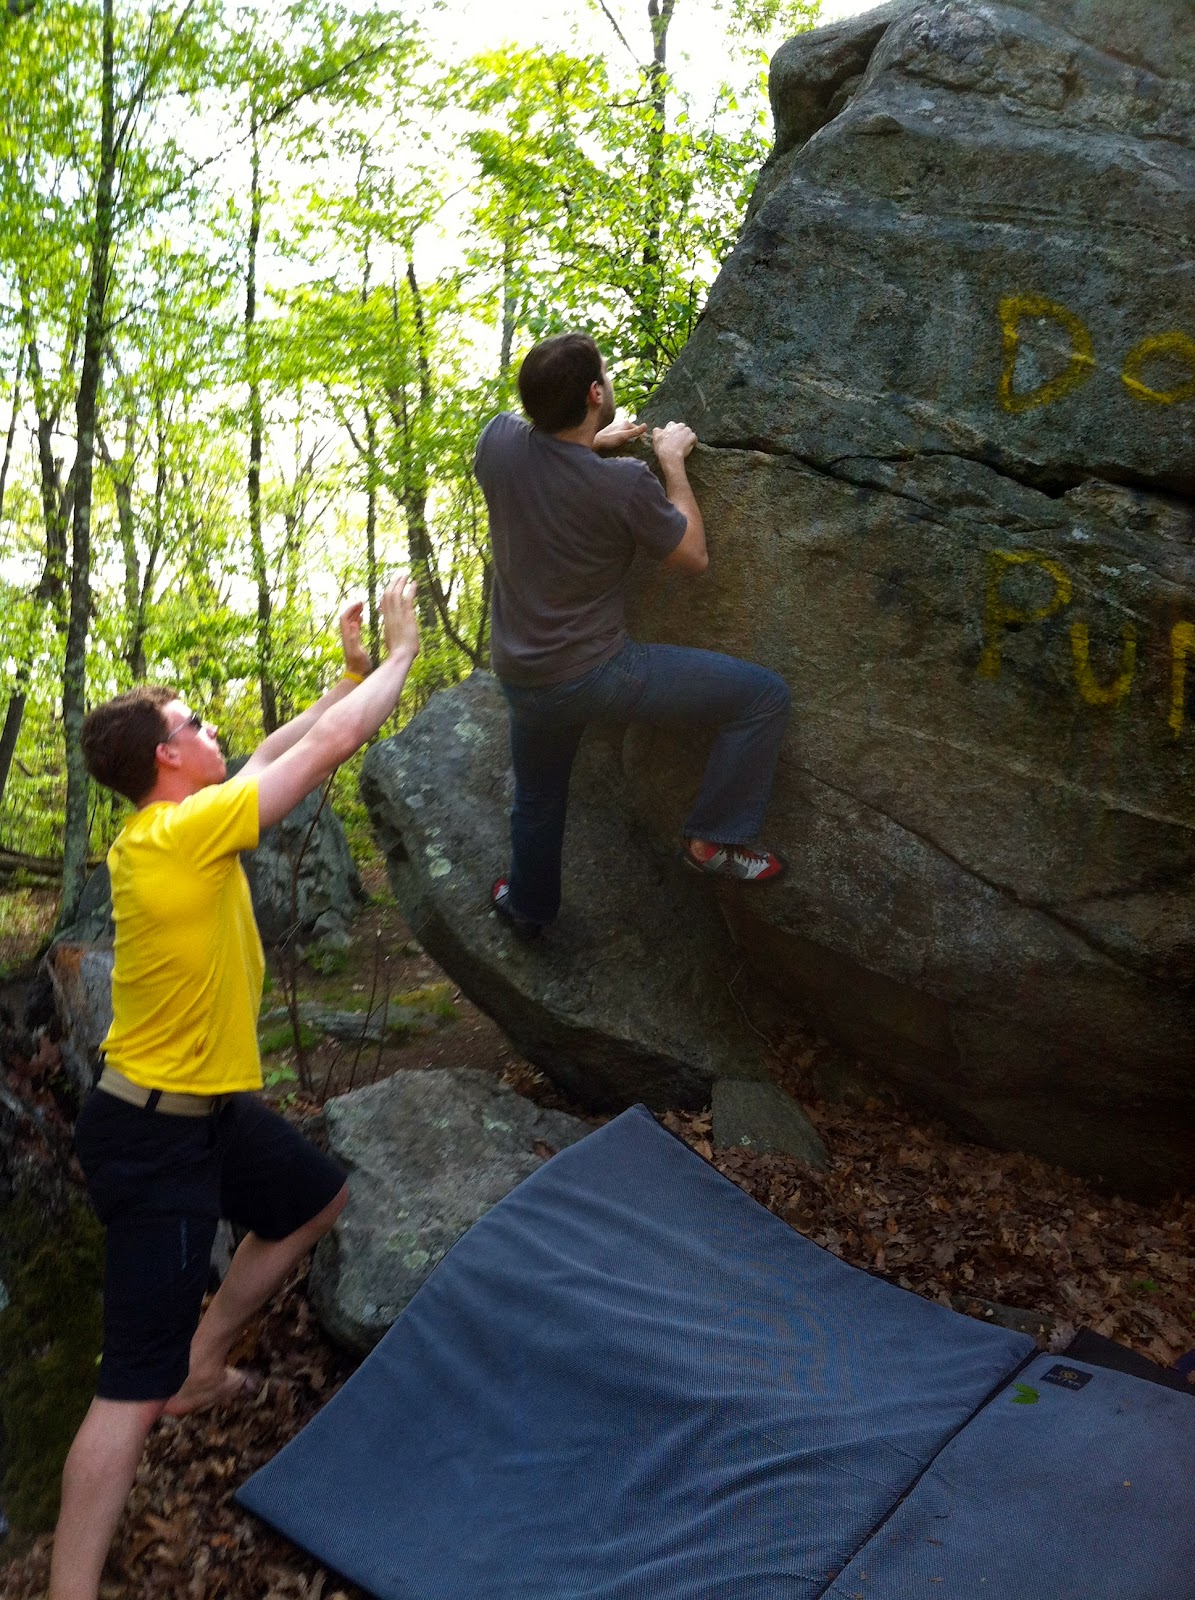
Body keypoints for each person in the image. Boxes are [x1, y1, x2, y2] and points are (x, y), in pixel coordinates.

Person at [48, 576, 419, 1600]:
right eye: (193, 721)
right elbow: (325, 749)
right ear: (168, 756)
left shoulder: (187, 819)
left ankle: (203, 1366)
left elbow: (276, 751)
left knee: (312, 1199)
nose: (213, 729)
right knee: (125, 1390)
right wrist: (397, 658)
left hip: (205, 1112)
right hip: (151, 1138)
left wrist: (345, 674)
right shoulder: (173, 836)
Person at [474, 331, 791, 938]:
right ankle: (715, 837)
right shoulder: (621, 485)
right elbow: (692, 555)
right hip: (596, 672)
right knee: (763, 697)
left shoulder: (497, 443)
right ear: (596, 393)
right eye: (606, 376)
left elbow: (545, 465)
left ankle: (530, 908)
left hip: (519, 671)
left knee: (539, 800)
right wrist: (670, 462)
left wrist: (589, 443)